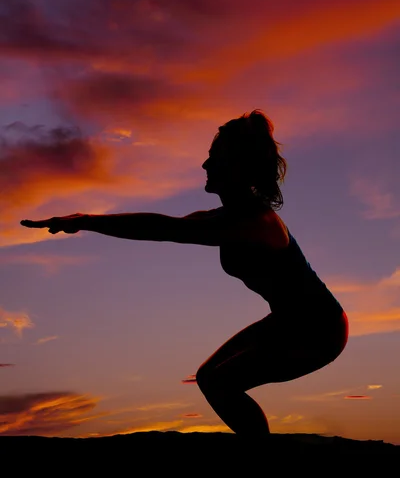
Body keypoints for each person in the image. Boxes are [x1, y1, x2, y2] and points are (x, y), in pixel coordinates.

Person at [20, 109, 348, 438]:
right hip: (289, 322)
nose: (205, 166)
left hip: (321, 329)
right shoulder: (227, 215)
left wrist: (86, 220)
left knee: (221, 382)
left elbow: (164, 228)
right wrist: (86, 221)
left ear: (236, 166)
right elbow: (162, 225)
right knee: (209, 377)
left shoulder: (252, 222)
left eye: (214, 158)